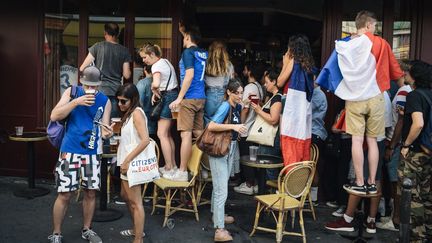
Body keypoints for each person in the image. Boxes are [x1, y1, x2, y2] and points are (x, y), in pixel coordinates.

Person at [329, 11, 403, 195]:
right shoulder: (382, 43)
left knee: (356, 139)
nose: (375, 29)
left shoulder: (347, 45)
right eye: (375, 26)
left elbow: (333, 68)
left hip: (355, 98)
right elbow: (396, 73)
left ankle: (359, 182)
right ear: (369, 25)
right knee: (372, 141)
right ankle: (371, 182)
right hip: (376, 96)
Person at [48, 66, 111, 243]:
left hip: (92, 152)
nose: (91, 89)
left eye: (95, 86)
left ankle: (87, 229)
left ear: (99, 85)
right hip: (70, 151)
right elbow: (54, 115)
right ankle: (56, 233)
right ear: (81, 82)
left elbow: (105, 131)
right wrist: (76, 102)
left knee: (90, 193)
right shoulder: (72, 91)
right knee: (65, 194)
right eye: (88, 85)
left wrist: (108, 132)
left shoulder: (105, 100)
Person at [207, 79, 247, 242]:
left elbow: (238, 121)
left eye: (241, 92)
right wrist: (234, 127)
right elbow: (211, 126)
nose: (240, 95)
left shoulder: (235, 106)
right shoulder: (225, 106)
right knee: (221, 188)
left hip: (229, 148)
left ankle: (217, 215)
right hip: (220, 149)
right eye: (237, 92)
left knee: (221, 184)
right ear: (229, 92)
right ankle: (219, 230)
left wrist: (244, 107)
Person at [168, 25, 208, 182]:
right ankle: (203, 168)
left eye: (184, 37)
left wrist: (179, 98)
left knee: (186, 135)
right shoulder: (203, 53)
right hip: (201, 97)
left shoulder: (187, 52)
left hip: (189, 97)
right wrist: (184, 30)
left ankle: (183, 171)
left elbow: (189, 75)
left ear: (187, 38)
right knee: (199, 134)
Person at [377, 60, 413, 231]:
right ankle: (394, 217)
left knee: (395, 183)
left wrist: (391, 146)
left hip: (395, 142)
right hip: (396, 142)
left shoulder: (403, 92)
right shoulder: (404, 91)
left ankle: (395, 219)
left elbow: (401, 121)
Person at [398, 60, 432, 242]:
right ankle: (428, 232)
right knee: (427, 195)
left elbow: (418, 123)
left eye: (408, 72)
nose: (405, 74)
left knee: (411, 195)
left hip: (416, 153)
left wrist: (406, 145)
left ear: (415, 76)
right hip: (429, 152)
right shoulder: (429, 95)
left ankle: (416, 237)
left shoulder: (414, 96)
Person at [234, 70, 282, 195]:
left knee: (268, 169)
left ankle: (270, 197)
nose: (265, 85)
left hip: (270, 140)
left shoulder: (277, 98)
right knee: (264, 169)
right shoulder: (273, 97)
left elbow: (273, 119)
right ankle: (265, 196)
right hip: (266, 139)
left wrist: (258, 109)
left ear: (274, 82)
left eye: (267, 82)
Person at [116, 83, 150, 243]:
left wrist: (127, 160)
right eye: (118, 101)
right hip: (126, 163)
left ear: (133, 99)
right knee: (125, 196)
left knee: (136, 203)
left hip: (132, 164)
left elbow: (145, 140)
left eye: (123, 101)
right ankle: (137, 229)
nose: (120, 104)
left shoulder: (136, 113)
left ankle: (138, 238)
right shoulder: (130, 113)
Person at [140, 43, 178, 177]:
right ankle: (173, 166)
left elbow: (156, 83)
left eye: (145, 57)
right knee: (167, 134)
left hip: (167, 97)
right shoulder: (165, 61)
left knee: (161, 134)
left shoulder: (156, 66)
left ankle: (169, 167)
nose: (143, 60)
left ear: (152, 55)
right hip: (173, 96)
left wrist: (153, 89)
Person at [277, 34, 315, 166]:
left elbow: (280, 82)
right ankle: (300, 177)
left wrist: (285, 64)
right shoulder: (309, 65)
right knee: (301, 139)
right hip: (304, 108)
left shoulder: (294, 61)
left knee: (288, 141)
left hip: (291, 106)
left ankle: (290, 178)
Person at [80, 22, 132, 117]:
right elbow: (127, 75)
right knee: (111, 124)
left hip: (100, 90)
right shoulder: (124, 51)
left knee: (97, 121)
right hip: (115, 91)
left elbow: (82, 67)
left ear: (105, 33)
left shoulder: (97, 46)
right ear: (117, 34)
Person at [204, 40, 234, 126]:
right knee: (221, 122)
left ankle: (207, 139)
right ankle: (219, 139)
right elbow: (232, 83)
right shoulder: (229, 65)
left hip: (209, 95)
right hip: (223, 96)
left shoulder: (206, 64)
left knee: (208, 120)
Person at [310, 81, 328, 202]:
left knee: (311, 165)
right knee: (311, 165)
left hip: (315, 133)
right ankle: (312, 196)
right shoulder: (316, 93)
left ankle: (313, 197)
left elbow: (305, 109)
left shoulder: (318, 94)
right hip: (316, 132)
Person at [136, 65, 157, 137]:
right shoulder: (159, 82)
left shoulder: (142, 83)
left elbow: (139, 102)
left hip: (145, 119)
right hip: (158, 118)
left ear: (145, 70)